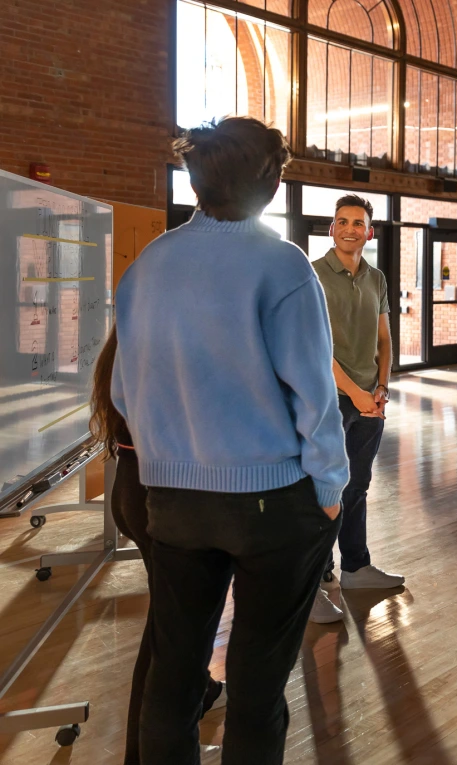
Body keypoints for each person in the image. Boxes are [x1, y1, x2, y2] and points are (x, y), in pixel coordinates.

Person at [111, 116, 349, 764]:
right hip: (272, 504)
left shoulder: (148, 265)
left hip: (173, 504)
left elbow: (123, 395)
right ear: (271, 181)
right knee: (255, 690)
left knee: (173, 680)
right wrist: (330, 489)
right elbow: (314, 397)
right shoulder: (283, 264)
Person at [89, 326, 227, 765]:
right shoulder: (169, 343)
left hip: (130, 489)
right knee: (166, 636)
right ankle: (143, 754)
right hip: (158, 498)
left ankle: (201, 691)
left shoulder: (132, 337)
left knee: (170, 622)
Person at [308, 194, 403, 625]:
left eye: (358, 222)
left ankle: (355, 567)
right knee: (323, 489)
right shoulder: (311, 276)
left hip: (370, 397)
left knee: (358, 485)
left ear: (369, 231)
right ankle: (316, 574)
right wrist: (356, 393)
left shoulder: (377, 278)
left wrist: (381, 387)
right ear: (332, 228)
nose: (350, 228)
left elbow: (384, 339)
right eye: (342, 221)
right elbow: (315, 348)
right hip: (328, 398)